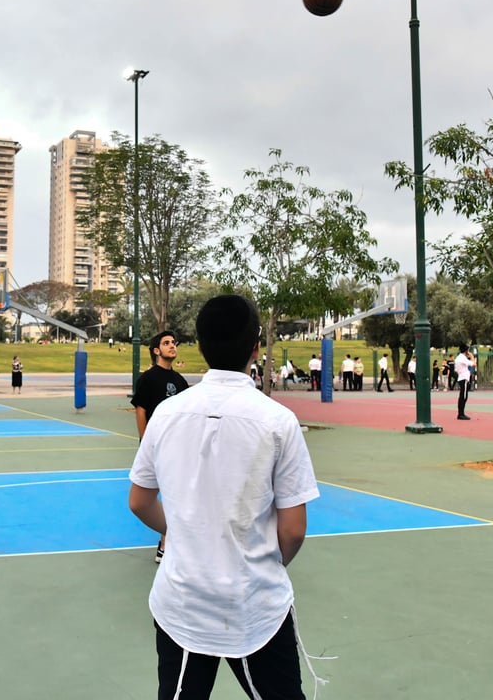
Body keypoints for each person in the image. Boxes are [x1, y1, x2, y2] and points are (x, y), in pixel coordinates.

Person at [128, 294, 320, 700]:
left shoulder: (166, 414)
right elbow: (294, 529)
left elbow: (140, 501)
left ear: (199, 345)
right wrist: (261, 563)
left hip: (182, 601)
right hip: (255, 603)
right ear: (255, 348)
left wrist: (183, 531)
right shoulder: (278, 421)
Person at [131, 331, 189, 563]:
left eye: (173, 343)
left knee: (177, 495)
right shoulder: (147, 379)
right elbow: (141, 410)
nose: (172, 346)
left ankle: (166, 544)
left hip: (179, 448)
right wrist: (146, 443)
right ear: (157, 351)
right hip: (156, 448)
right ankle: (166, 542)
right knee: (145, 498)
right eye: (166, 343)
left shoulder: (180, 381)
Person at [455, 343, 474, 420]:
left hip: (462, 377)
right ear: (466, 351)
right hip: (464, 378)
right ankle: (461, 414)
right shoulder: (462, 358)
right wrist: (472, 356)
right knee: (463, 397)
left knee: (463, 396)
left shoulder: (459, 358)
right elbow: (473, 364)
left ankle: (461, 413)